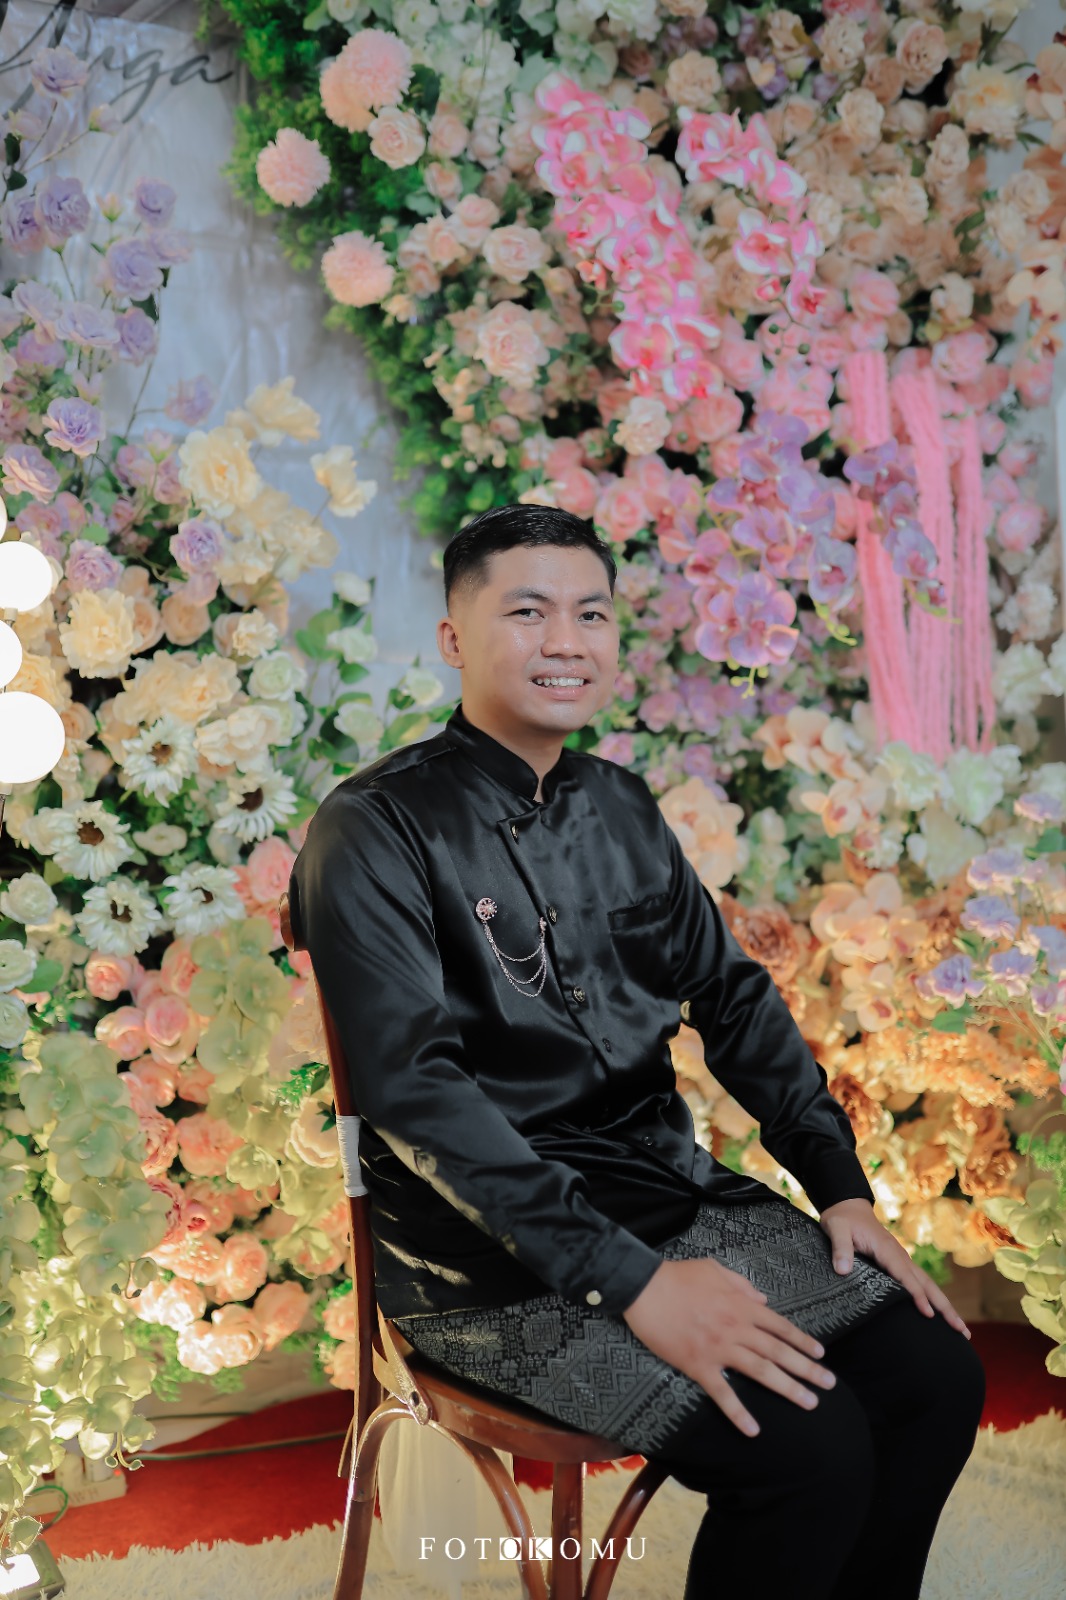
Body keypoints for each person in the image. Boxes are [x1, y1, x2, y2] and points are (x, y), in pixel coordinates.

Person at [288, 504, 986, 1600]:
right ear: (454, 638)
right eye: (528, 612)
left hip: (666, 1193)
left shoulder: (619, 804)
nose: (565, 641)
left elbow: (731, 994)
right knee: (808, 1450)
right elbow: (413, 1092)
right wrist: (635, 1283)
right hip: (483, 1261)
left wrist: (839, 1183)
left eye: (592, 614)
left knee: (936, 1376)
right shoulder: (373, 827)